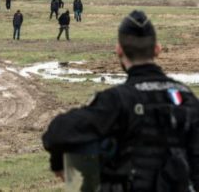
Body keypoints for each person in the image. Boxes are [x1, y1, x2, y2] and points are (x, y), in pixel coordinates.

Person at [42, 10, 199, 192]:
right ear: (157, 49)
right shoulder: (188, 99)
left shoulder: (116, 101)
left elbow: (58, 132)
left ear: (119, 50)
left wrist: (57, 163)